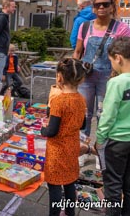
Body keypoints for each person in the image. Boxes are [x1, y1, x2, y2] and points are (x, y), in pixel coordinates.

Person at [73, 0, 130, 140]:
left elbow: (124, 54)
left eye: (105, 4)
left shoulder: (122, 28)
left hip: (109, 77)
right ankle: (83, 146)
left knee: (104, 113)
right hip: (86, 76)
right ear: (93, 8)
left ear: (112, 7)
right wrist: (73, 73)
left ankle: (101, 147)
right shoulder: (85, 26)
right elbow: (78, 51)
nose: (101, 7)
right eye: (98, 5)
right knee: (83, 113)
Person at [41, 58, 87, 216]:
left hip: (57, 151)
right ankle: (70, 212)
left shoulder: (58, 101)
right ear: (80, 79)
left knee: (54, 184)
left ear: (59, 77)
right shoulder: (81, 99)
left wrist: (42, 130)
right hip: (72, 147)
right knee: (69, 182)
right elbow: (83, 125)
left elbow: (52, 130)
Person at [96, 37, 130, 216]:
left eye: (111, 61)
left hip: (117, 141)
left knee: (113, 187)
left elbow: (108, 115)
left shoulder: (117, 83)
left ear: (118, 58)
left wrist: (100, 139)